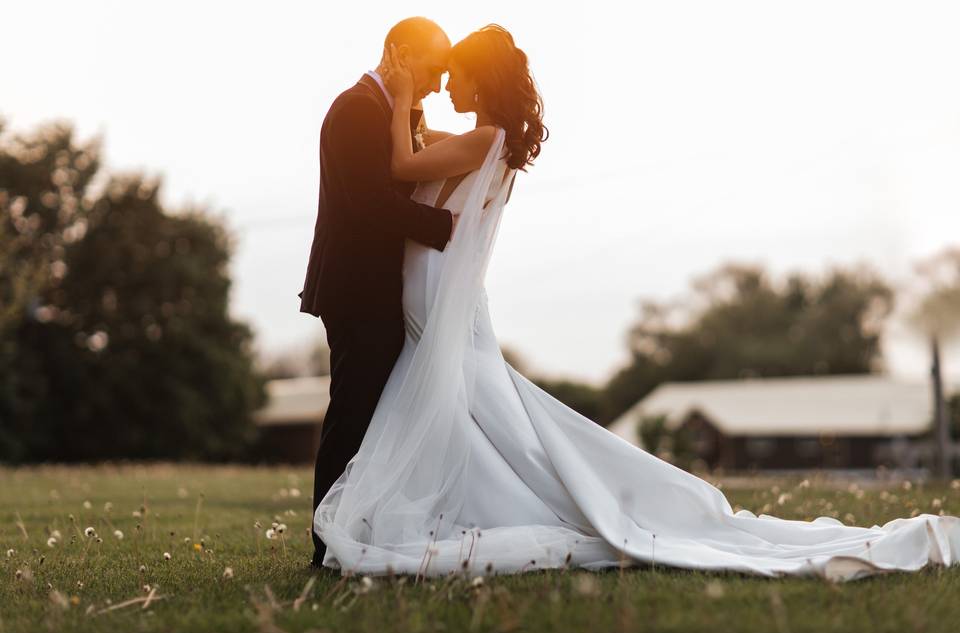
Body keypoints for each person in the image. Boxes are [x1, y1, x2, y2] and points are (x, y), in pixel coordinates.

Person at [313, 23, 960, 582]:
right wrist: (405, 106)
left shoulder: (483, 142)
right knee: (468, 410)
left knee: (475, 410)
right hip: (436, 294)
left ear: (479, 81)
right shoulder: (484, 141)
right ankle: (443, 500)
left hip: (437, 295)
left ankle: (497, 503)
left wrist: (400, 98)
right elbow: (411, 175)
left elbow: (400, 166)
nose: (443, 86)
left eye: (454, 76)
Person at [298, 17, 458, 569]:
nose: (439, 85)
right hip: (355, 290)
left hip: (378, 289)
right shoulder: (356, 110)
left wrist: (412, 110)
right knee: (353, 414)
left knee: (377, 415)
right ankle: (326, 546)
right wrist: (450, 230)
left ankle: (359, 532)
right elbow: (372, 205)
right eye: (433, 70)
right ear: (400, 53)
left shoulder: (388, 109)